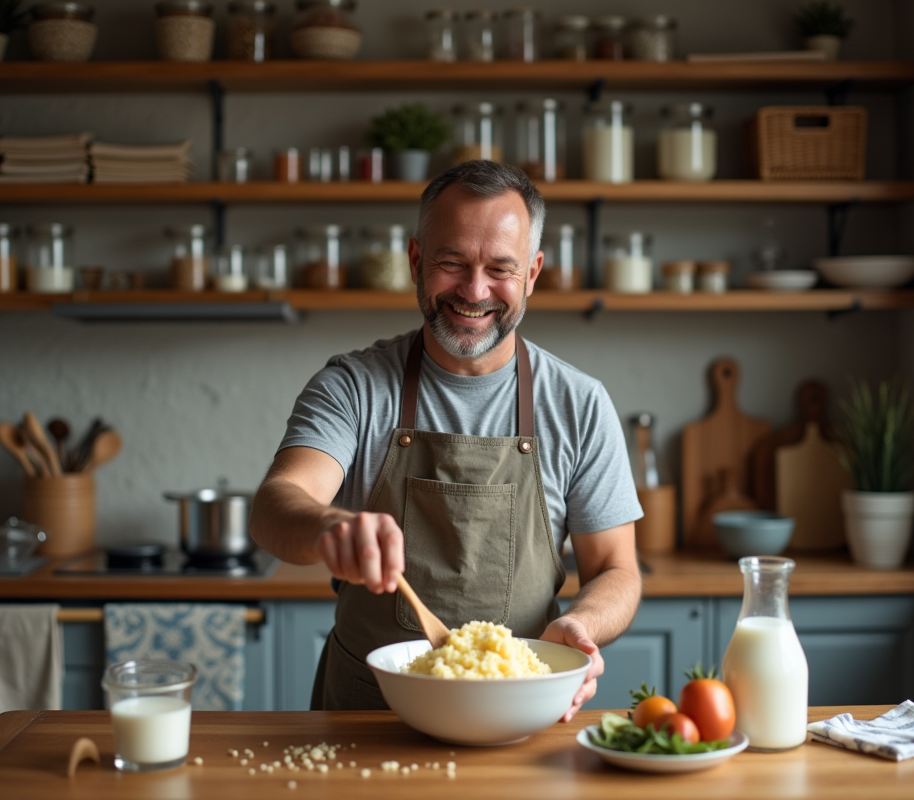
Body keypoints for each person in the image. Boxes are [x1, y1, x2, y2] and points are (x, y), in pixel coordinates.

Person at [250, 160, 642, 718]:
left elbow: (615, 570)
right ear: (416, 261)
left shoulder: (579, 403)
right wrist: (327, 525)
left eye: (500, 269)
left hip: (519, 713)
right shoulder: (354, 387)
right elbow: (275, 504)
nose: (474, 291)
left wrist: (582, 623)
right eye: (451, 263)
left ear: (532, 273)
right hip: (368, 716)